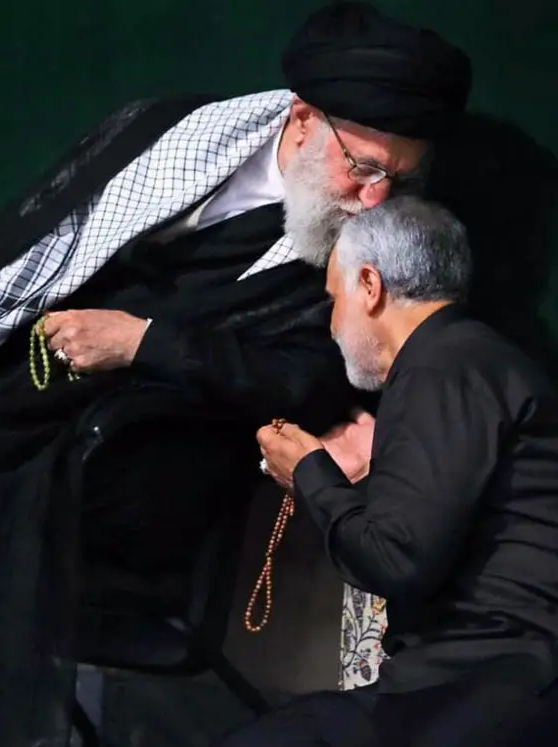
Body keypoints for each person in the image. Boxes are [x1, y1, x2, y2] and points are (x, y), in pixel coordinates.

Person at [0, 4, 471, 745]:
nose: (373, 198)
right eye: (363, 167)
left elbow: (310, 378)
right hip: (37, 364)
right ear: (303, 120)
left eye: (397, 179)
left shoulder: (380, 242)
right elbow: (36, 238)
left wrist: (143, 343)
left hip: (148, 441)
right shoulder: (165, 132)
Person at [230, 195, 558, 747]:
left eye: (335, 301)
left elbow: (395, 559)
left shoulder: (441, 364)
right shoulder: (473, 362)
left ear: (370, 286)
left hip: (493, 680)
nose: (333, 326)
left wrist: (309, 470)